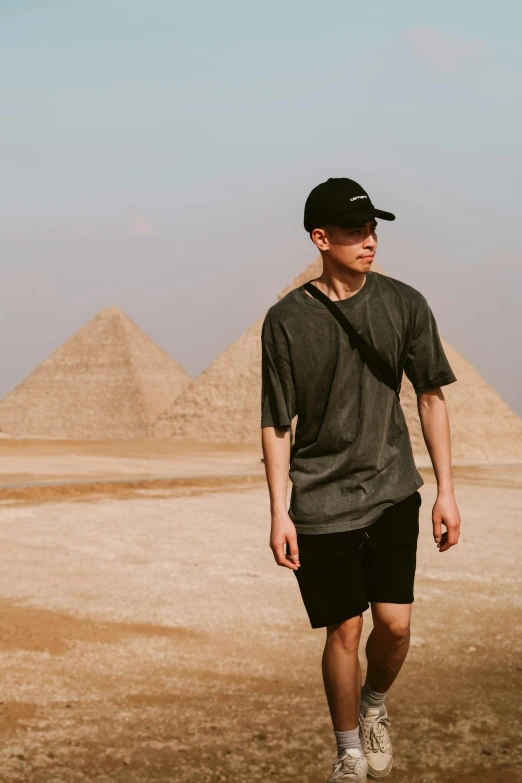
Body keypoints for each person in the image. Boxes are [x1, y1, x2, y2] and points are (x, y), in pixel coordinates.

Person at [260, 177, 461, 782]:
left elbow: (430, 397)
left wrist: (447, 490)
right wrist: (279, 511)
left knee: (395, 627)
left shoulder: (405, 303)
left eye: (373, 229)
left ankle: (375, 703)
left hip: (393, 491)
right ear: (320, 239)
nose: (370, 240)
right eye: (354, 232)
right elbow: (276, 424)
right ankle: (348, 749)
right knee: (343, 628)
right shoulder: (286, 321)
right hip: (320, 502)